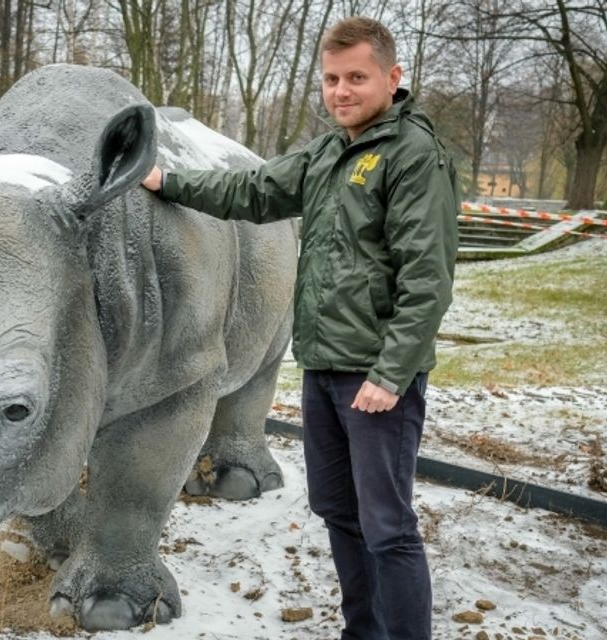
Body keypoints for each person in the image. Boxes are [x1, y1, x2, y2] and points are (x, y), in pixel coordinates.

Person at [142, 16, 458, 640]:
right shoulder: (328, 153)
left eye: (357, 78)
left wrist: (391, 374)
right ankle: (362, 631)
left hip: (377, 379)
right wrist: (165, 181)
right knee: (338, 510)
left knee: (388, 526)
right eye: (332, 79)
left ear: (393, 79)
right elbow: (250, 190)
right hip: (324, 368)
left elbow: (428, 279)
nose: (341, 91)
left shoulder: (415, 157)